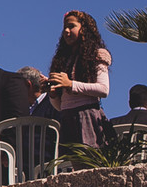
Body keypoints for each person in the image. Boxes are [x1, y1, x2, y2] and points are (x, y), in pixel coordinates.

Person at [47, 11, 112, 146]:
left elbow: (104, 89)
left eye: (71, 26)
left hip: (87, 117)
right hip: (66, 119)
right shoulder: (63, 60)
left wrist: (70, 84)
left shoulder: (97, 54)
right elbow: (61, 106)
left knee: (88, 158)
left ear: (84, 29)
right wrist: (52, 94)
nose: (66, 31)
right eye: (65, 27)